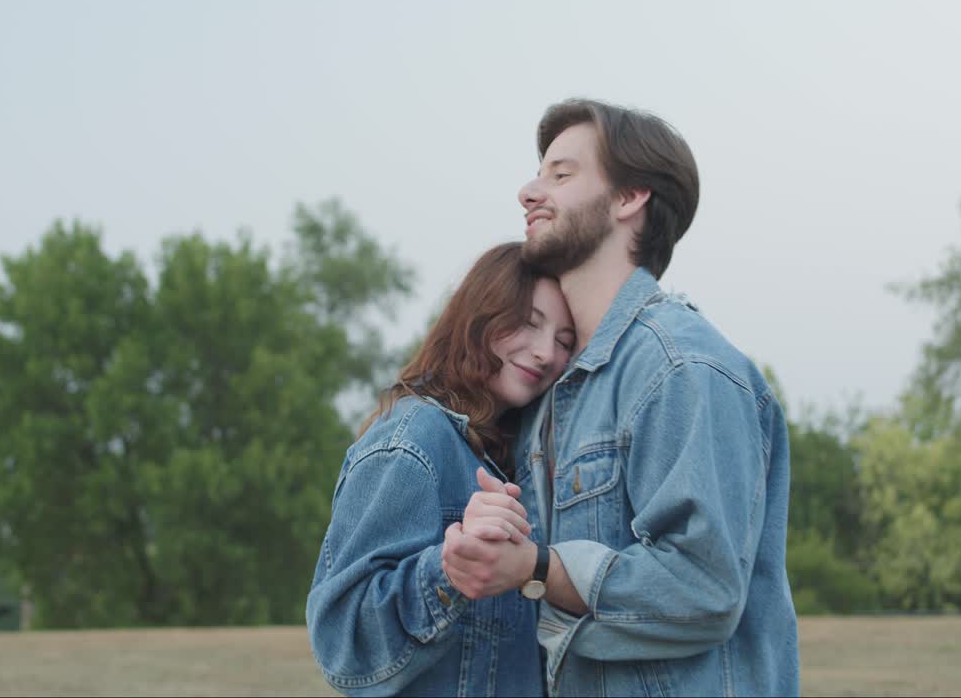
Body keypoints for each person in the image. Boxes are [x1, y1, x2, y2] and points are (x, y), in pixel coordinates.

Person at [440, 99, 800, 697]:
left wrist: (536, 567)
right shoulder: (555, 393)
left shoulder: (682, 367)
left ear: (629, 198)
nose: (530, 191)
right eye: (539, 173)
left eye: (561, 174)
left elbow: (705, 590)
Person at [306, 241, 576, 696]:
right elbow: (344, 648)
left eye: (564, 341)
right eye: (529, 324)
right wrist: (450, 571)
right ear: (479, 315)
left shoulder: (516, 458)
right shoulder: (413, 438)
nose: (545, 352)